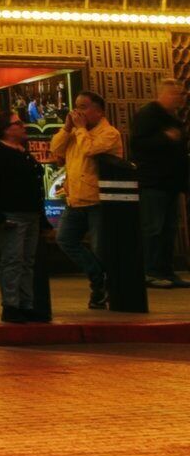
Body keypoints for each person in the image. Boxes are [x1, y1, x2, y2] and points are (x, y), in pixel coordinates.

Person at [0, 108, 52, 322]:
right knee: (13, 259)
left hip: (30, 213)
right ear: (5, 130)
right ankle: (11, 305)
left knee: (27, 261)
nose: (23, 126)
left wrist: (42, 217)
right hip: (11, 213)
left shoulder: (22, 150)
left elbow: (35, 186)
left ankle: (26, 304)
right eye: (17, 124)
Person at [56, 91, 127, 303]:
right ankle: (100, 279)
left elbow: (89, 149)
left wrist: (78, 129)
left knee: (100, 249)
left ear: (99, 111)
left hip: (99, 200)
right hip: (75, 198)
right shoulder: (76, 132)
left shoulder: (109, 133)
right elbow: (56, 149)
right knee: (65, 239)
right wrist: (67, 128)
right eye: (76, 106)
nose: (78, 111)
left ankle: (102, 290)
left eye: (84, 107)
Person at [135, 77, 188, 288]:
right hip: (153, 183)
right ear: (164, 94)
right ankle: (151, 271)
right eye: (175, 94)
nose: (179, 98)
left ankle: (166, 270)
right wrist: (166, 138)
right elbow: (138, 145)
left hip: (170, 183)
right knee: (153, 228)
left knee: (169, 229)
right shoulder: (148, 115)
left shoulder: (173, 118)